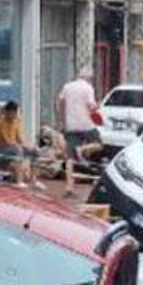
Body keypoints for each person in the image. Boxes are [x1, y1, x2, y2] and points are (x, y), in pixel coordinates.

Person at [56, 67, 101, 199]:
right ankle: (81, 149)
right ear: (89, 78)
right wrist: (97, 107)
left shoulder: (67, 87)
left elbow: (59, 102)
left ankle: (69, 186)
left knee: (69, 158)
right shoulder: (88, 88)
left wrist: (61, 120)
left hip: (71, 125)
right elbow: (91, 107)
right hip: (86, 125)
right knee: (98, 144)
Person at [0, 100, 43, 189]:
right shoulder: (0, 123)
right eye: (11, 112)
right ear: (7, 112)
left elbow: (18, 138)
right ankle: (19, 181)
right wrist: (19, 146)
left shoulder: (17, 122)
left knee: (35, 151)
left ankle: (34, 180)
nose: (13, 115)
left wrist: (26, 146)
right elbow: (7, 140)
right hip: (2, 148)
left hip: (13, 146)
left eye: (15, 112)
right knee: (17, 150)